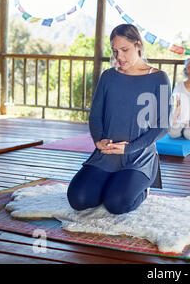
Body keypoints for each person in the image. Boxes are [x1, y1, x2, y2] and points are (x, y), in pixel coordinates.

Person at [67, 24, 171, 214]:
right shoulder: (108, 77)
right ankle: (111, 183)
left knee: (116, 204)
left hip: (138, 158)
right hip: (106, 155)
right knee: (78, 199)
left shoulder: (160, 78)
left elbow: (163, 126)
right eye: (115, 51)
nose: (119, 57)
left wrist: (129, 148)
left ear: (138, 45)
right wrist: (99, 140)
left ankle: (142, 188)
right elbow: (96, 115)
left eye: (124, 50)